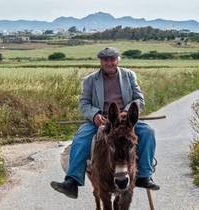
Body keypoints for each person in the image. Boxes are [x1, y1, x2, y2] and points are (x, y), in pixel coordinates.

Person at [50, 47, 159, 199]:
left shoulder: (129, 76)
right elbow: (84, 103)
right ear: (101, 61)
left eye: (112, 59)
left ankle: (144, 176)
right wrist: (94, 114)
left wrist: (127, 112)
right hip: (101, 121)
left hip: (125, 121)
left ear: (118, 60)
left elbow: (139, 99)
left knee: (148, 132)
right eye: (105, 60)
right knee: (81, 138)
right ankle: (72, 181)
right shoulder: (90, 80)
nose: (109, 62)